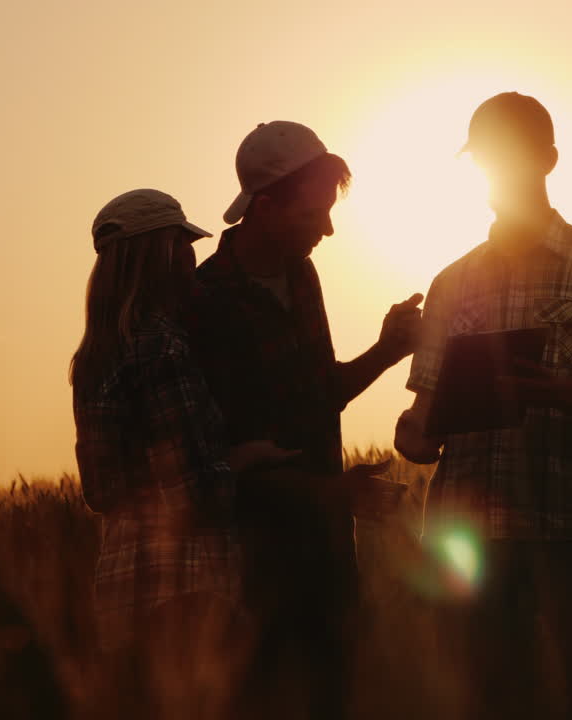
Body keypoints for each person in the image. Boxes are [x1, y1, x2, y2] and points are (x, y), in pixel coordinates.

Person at [394, 92, 572, 719]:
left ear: (548, 160)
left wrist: (541, 391)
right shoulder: (453, 282)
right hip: (467, 547)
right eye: (485, 159)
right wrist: (413, 436)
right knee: (479, 700)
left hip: (569, 534)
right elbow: (421, 428)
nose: (495, 172)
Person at [191, 121, 416, 718]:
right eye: (313, 214)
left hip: (328, 560)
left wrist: (389, 348)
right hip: (254, 574)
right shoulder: (207, 301)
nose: (328, 227)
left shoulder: (302, 275)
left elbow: (321, 396)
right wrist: (334, 493)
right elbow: (228, 457)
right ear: (265, 207)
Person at [71, 189, 295, 710]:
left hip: (121, 585)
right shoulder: (163, 348)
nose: (193, 259)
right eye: (183, 245)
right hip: (187, 588)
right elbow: (196, 491)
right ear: (164, 255)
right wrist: (246, 458)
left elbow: (100, 491)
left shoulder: (94, 359)